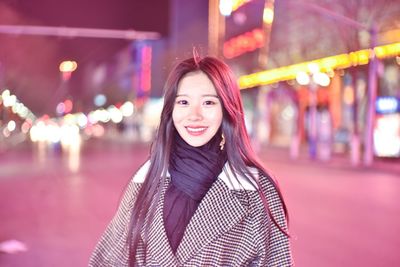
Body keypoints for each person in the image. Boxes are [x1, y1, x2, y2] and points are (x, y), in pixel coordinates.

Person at [89, 55, 293, 266]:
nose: (194, 115)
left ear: (226, 109)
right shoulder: (145, 181)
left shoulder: (257, 190)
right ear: (171, 110)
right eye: (184, 102)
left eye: (208, 102)